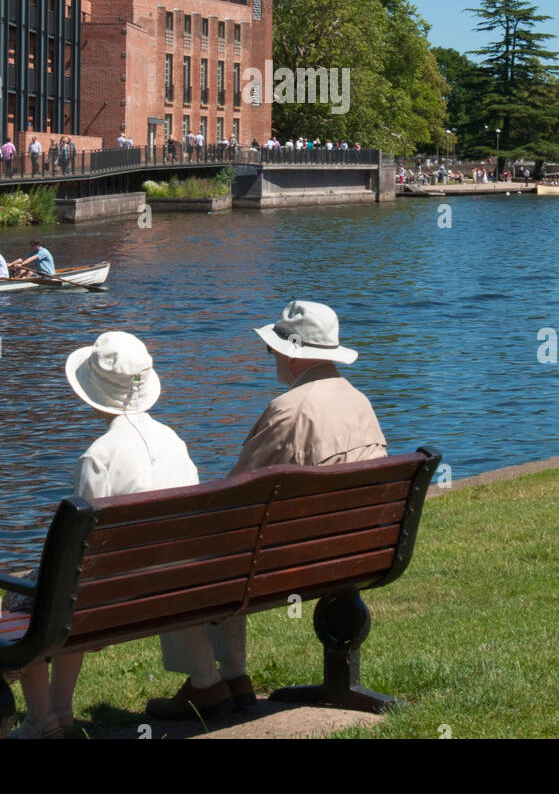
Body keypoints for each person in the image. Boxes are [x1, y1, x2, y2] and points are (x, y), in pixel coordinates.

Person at [146, 300, 387, 720]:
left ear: (293, 351)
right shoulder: (358, 400)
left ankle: (210, 681)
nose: (271, 355)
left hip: (293, 562)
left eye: (273, 348)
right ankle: (234, 677)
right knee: (234, 545)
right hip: (359, 550)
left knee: (200, 549)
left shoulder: (290, 410)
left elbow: (235, 496)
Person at [8, 332, 199, 738]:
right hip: (171, 588)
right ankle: (59, 711)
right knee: (64, 593)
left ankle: (43, 717)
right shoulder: (175, 442)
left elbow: (81, 556)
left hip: (109, 600)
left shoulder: (98, 456)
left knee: (24, 599)